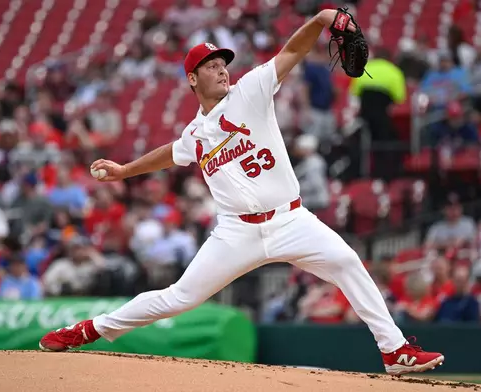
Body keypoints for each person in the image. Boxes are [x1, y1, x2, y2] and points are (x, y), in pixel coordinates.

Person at [39, 9, 444, 375]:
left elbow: (291, 52)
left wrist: (321, 20)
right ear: (192, 79)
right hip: (237, 232)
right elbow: (173, 153)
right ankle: (89, 330)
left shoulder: (250, 91)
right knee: (179, 297)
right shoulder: (195, 133)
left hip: (291, 219)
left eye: (222, 63)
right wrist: (126, 169)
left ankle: (395, 351)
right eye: (210, 66)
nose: (221, 70)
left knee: (347, 262)